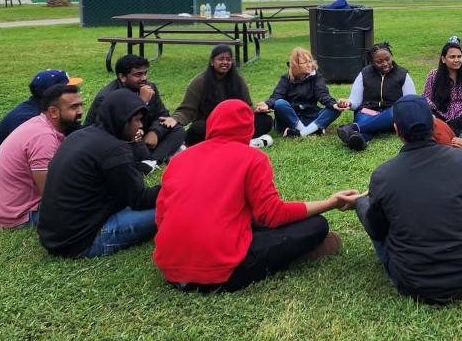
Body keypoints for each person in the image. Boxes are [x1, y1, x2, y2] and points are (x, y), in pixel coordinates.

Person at [154, 99, 361, 292]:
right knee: (316, 226)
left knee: (249, 221)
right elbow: (272, 215)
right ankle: (300, 254)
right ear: (250, 128)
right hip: (221, 273)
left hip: (170, 270)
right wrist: (331, 202)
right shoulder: (252, 157)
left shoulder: (180, 159)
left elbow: (161, 217)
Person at [353, 95, 462, 303]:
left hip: (411, 285)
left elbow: (377, 231)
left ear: (396, 130)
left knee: (381, 226)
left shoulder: (383, 175)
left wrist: (360, 202)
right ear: (433, 124)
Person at [37, 89, 160, 258]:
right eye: (137, 120)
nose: (140, 126)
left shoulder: (79, 135)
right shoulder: (115, 149)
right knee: (171, 207)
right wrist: (175, 187)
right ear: (122, 119)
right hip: (82, 242)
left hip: (54, 235)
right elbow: (139, 199)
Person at [0, 85, 83, 228]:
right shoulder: (43, 138)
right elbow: (51, 194)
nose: (80, 111)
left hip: (12, 209)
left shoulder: (40, 123)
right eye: (74, 107)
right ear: (53, 112)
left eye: (80, 105)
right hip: (21, 215)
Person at [160, 45, 273, 147]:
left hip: (234, 125)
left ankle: (227, 142)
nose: (225, 62)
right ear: (212, 62)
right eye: (221, 59)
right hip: (211, 126)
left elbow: (247, 106)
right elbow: (187, 108)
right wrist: (175, 119)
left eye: (228, 59)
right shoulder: (200, 81)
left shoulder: (238, 80)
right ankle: (244, 143)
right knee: (197, 129)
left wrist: (257, 111)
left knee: (265, 121)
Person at [84, 55, 185, 170]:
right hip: (121, 139)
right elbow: (102, 132)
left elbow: (162, 115)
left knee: (178, 130)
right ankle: (154, 158)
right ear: (122, 77)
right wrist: (141, 102)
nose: (144, 78)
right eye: (138, 74)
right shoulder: (107, 98)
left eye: (145, 73)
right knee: (137, 147)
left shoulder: (149, 88)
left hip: (144, 132)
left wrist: (155, 132)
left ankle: (152, 161)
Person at [0, 69, 82, 182]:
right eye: (68, 90)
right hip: (11, 179)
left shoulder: (45, 110)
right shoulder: (27, 120)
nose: (73, 93)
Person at [335, 42, 416, 151]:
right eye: (379, 62)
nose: (385, 63)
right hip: (368, 111)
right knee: (363, 119)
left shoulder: (402, 74)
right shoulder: (364, 73)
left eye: (387, 59)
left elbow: (410, 102)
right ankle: (359, 140)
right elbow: (355, 102)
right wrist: (348, 103)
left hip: (391, 114)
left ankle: (353, 128)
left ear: (391, 56)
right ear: (372, 62)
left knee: (398, 110)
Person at [255, 47, 341, 137]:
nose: (309, 65)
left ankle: (300, 133)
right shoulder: (286, 79)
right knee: (280, 103)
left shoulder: (317, 77)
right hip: (291, 117)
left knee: (335, 108)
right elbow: (277, 95)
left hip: (311, 115)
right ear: (296, 65)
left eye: (310, 61)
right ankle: (311, 130)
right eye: (305, 62)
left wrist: (333, 104)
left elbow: (322, 94)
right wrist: (267, 104)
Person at [422, 41, 462, 141]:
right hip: (440, 112)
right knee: (428, 115)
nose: (457, 60)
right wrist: (432, 109)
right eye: (452, 57)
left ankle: (442, 130)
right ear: (443, 59)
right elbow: (426, 97)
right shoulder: (433, 75)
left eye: (459, 57)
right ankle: (461, 133)